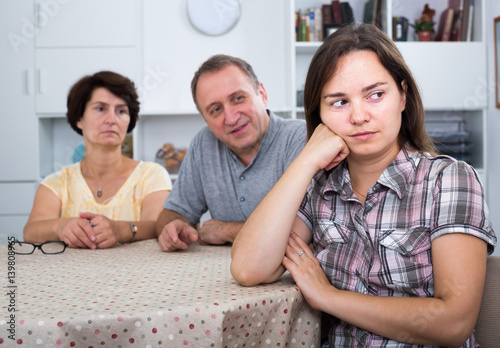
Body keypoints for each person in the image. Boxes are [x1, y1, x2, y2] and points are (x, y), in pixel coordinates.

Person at [231, 24, 496, 347]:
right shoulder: (320, 187)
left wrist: (328, 297)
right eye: (339, 102)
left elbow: (453, 323)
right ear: (321, 115)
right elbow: (248, 268)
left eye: (375, 95)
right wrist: (305, 161)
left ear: (402, 96)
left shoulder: (449, 180)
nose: (359, 116)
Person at [156, 54, 306, 251]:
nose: (231, 118)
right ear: (206, 120)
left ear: (262, 94)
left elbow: (305, 234)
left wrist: (227, 230)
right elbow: (173, 212)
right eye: (216, 109)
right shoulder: (204, 144)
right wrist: (173, 226)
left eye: (238, 98)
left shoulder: (299, 138)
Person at [24, 71, 172, 249]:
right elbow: (30, 232)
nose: (112, 119)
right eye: (100, 108)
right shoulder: (56, 184)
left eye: (121, 111)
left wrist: (121, 230)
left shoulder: (151, 175)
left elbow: (158, 225)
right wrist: (60, 226)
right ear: (79, 118)